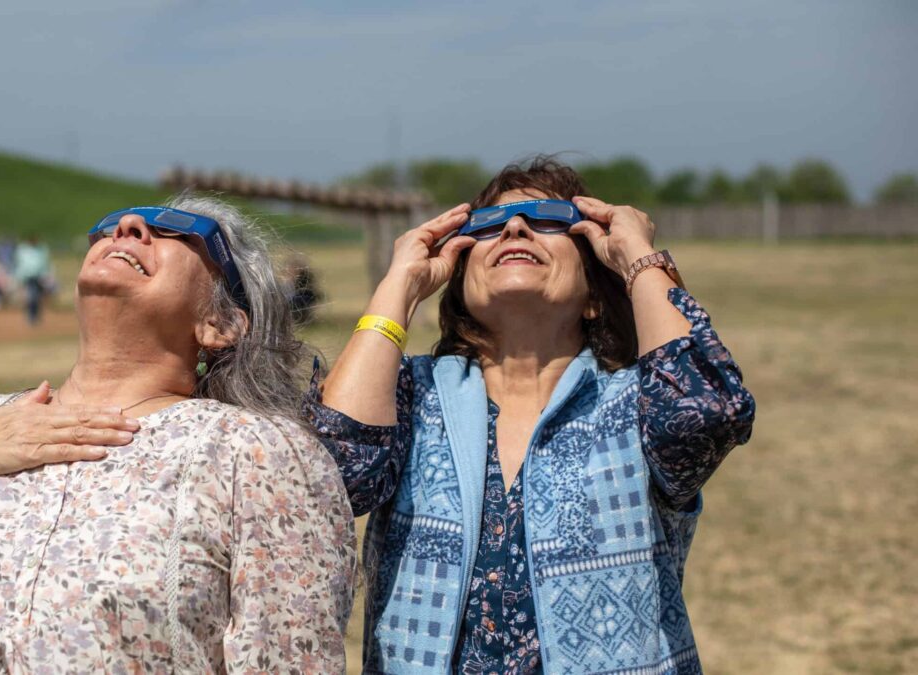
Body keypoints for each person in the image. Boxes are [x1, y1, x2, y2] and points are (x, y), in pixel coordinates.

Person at [0, 196, 356, 673]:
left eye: (180, 230)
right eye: (114, 224)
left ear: (221, 323)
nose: (126, 226)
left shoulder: (258, 456)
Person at [305, 157, 755, 674]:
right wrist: (399, 286)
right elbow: (331, 473)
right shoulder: (410, 393)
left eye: (547, 218)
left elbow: (706, 413)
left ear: (592, 295)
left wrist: (639, 257)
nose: (515, 226)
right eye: (489, 226)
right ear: (460, 284)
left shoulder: (636, 402)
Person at [13, 234, 52, 325]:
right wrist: (19, 277)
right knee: (31, 298)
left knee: (37, 298)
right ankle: (31, 317)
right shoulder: (23, 250)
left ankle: (35, 316)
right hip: (28, 278)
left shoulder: (41, 250)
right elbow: (20, 264)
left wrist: (46, 276)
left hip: (39, 277)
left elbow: (44, 263)